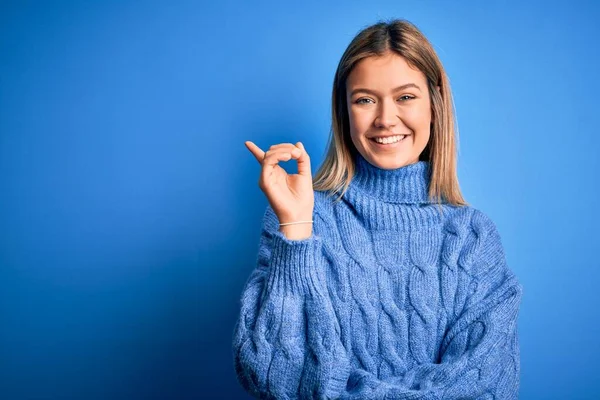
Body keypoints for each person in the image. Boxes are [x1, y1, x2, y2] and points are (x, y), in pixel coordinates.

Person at [233, 18, 523, 400]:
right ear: (345, 111)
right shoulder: (298, 218)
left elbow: (488, 385)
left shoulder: (472, 238)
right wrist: (297, 230)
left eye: (405, 97)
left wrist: (334, 391)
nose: (386, 119)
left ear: (434, 105)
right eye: (365, 99)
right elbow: (270, 376)